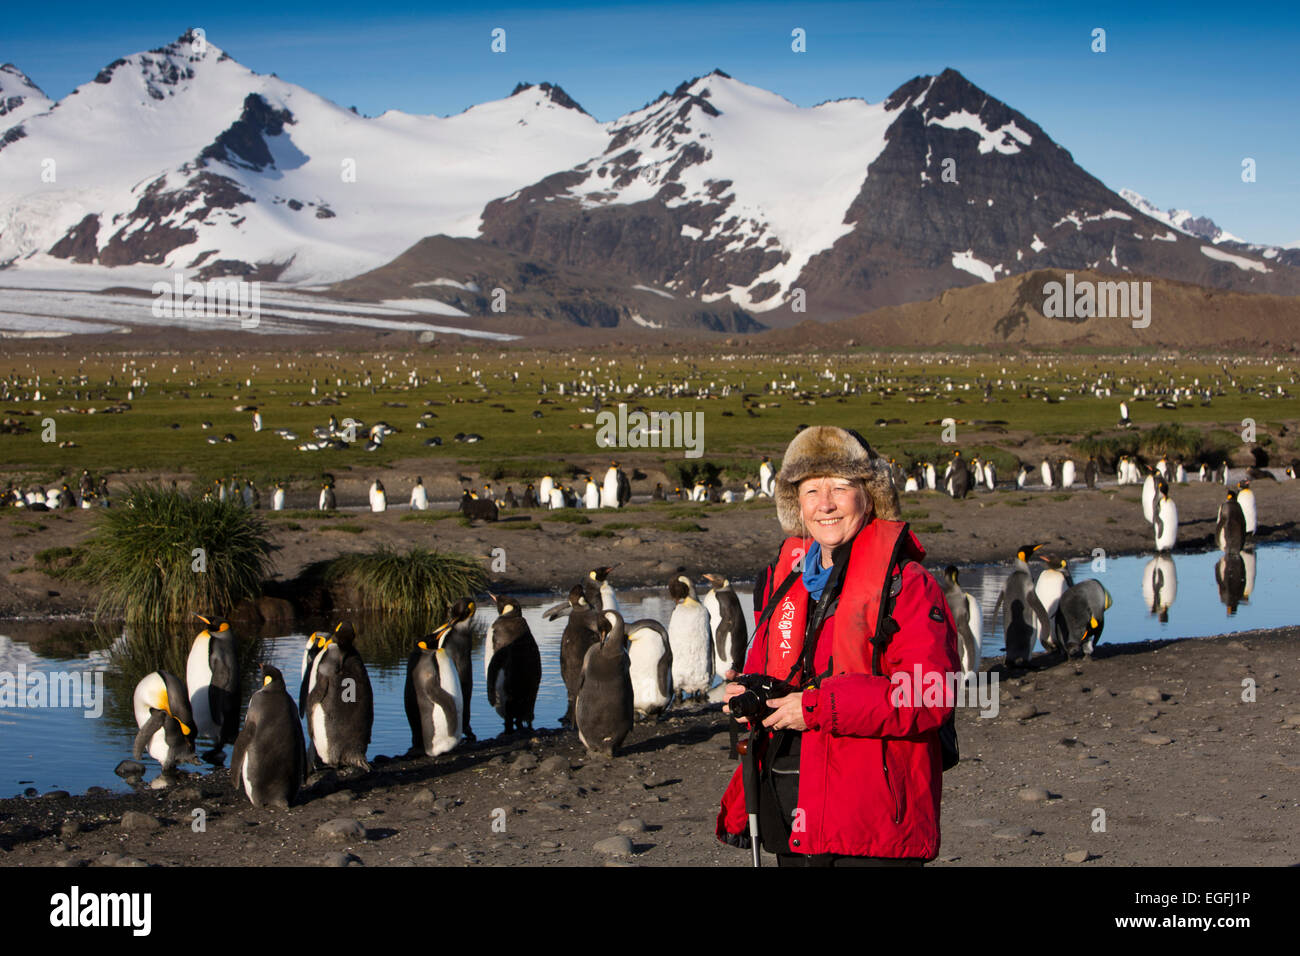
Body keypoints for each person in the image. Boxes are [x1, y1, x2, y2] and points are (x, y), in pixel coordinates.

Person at [716, 426, 959, 866]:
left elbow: (930, 695)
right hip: (790, 804)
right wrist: (749, 693)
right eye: (811, 490)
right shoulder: (781, 585)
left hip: (873, 821)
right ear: (795, 502)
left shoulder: (907, 587)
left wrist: (815, 707)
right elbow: (776, 677)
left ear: (869, 495)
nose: (824, 504)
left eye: (840, 487)